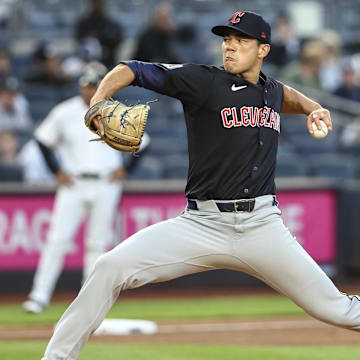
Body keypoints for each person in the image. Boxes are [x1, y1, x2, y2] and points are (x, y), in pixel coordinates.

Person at [41, 11, 360, 360]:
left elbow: (284, 96)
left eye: (241, 41)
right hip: (201, 224)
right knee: (109, 267)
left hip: (262, 227)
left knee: (336, 310)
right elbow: (129, 68)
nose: (230, 47)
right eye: (227, 40)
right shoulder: (203, 81)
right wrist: (98, 101)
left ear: (263, 50)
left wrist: (314, 107)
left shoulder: (270, 91)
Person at [22, 63, 148, 314]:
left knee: (98, 244)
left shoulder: (116, 111)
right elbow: (43, 140)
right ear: (80, 87)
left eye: (94, 85)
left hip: (105, 184)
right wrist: (56, 171)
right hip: (74, 184)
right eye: (87, 86)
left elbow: (144, 143)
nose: (90, 91)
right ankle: (39, 296)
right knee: (58, 240)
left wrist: (126, 170)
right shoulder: (65, 111)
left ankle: (88, 300)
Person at [75, 0, 123, 69]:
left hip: (107, 63)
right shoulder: (83, 25)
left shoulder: (112, 25)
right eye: (94, 2)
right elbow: (80, 42)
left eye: (98, 2)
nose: (96, 5)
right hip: (86, 64)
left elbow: (117, 41)